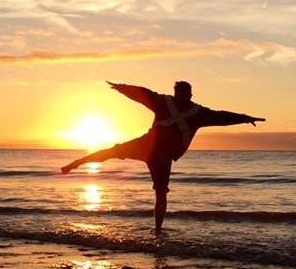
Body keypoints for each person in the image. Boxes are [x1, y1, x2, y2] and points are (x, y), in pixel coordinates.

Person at [61, 81, 265, 233]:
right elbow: (223, 117)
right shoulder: (198, 112)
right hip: (162, 156)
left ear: (177, 92)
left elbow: (142, 94)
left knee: (111, 152)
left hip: (146, 146)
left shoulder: (164, 102)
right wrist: (246, 118)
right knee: (160, 193)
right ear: (191, 93)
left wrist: (121, 87)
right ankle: (158, 230)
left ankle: (77, 163)